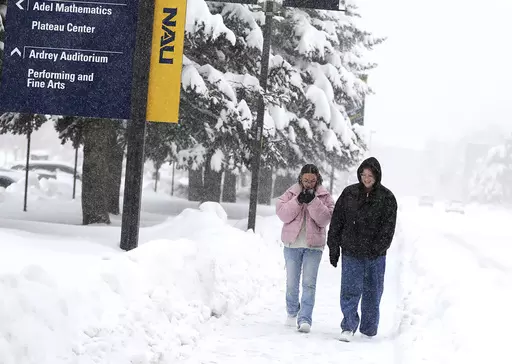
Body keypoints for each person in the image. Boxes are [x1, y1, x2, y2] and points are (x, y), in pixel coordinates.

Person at [327, 157, 397, 342]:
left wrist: (378, 247)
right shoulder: (349, 193)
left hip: (375, 255)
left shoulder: (387, 198)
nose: (366, 178)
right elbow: (337, 222)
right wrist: (333, 246)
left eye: (370, 175)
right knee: (350, 290)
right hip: (351, 252)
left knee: (373, 292)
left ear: (377, 176)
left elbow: (388, 228)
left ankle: (368, 329)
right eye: (363, 174)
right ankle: (348, 326)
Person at [276, 164, 334, 333]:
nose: (309, 183)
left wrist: (313, 202)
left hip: (313, 247)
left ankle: (305, 319)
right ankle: (292, 312)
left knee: (309, 283)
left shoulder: (324, 196)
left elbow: (324, 219)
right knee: (291, 283)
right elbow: (283, 214)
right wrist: (298, 201)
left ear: (317, 180)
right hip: (292, 245)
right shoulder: (291, 193)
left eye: (312, 180)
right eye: (306, 180)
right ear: (300, 178)